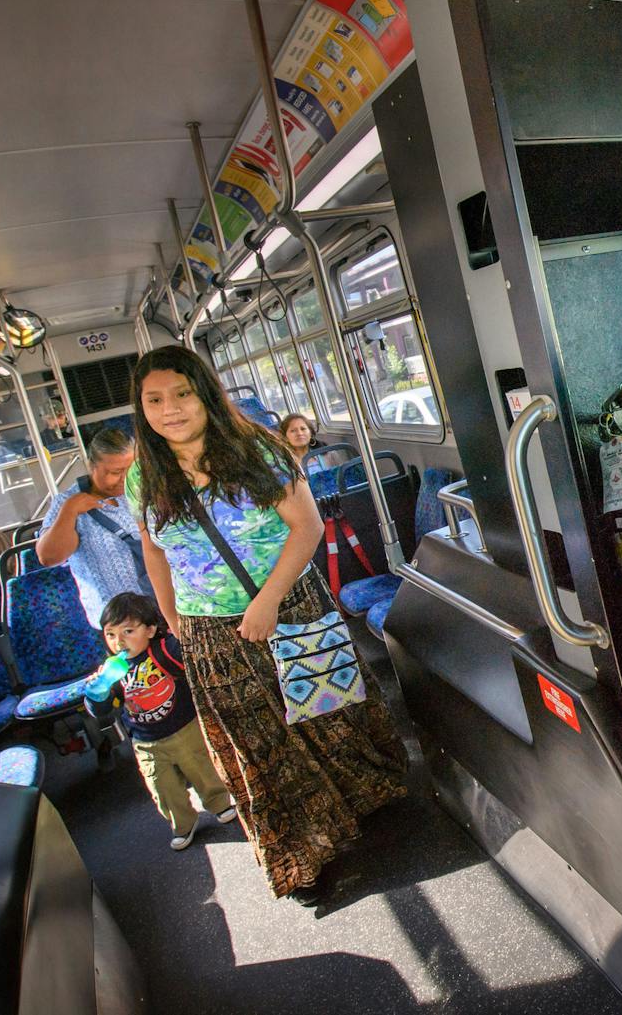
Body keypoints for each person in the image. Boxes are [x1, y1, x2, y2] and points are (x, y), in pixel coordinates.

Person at [127, 345, 407, 904]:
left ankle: (366, 798)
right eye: (155, 400)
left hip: (289, 602)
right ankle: (301, 850)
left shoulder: (258, 450)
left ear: (204, 392)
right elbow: (154, 551)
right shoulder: (144, 477)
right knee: (257, 742)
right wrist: (173, 617)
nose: (171, 409)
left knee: (325, 712)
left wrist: (268, 601)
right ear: (142, 408)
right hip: (208, 628)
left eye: (181, 394)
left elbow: (306, 529)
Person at [86, 592, 237, 850]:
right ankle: (183, 823)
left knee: (202, 769)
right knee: (162, 787)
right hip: (145, 740)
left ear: (150, 629)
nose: (118, 641)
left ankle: (219, 802)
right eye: (110, 634)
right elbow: (102, 712)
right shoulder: (111, 671)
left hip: (184, 727)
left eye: (128, 631)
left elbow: (189, 652)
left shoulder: (165, 649)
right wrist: (97, 693)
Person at [37, 427, 154, 627]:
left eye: (132, 469)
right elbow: (49, 557)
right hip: (118, 626)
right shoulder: (68, 502)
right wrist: (70, 510)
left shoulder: (144, 491)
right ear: (91, 466)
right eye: (115, 472)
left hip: (161, 611)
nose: (125, 479)